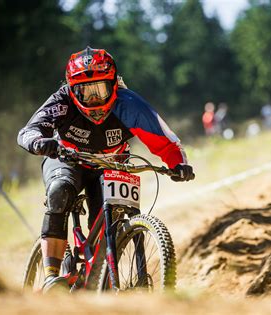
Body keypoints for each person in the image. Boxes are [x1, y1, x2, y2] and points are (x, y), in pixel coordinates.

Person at [17, 47, 194, 292]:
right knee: (59, 191)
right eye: (85, 92)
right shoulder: (62, 101)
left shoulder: (130, 104)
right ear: (71, 89)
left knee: (113, 216)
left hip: (111, 163)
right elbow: (28, 131)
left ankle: (102, 276)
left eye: (100, 90)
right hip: (67, 159)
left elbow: (165, 140)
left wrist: (178, 164)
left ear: (114, 85)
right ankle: (51, 277)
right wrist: (39, 142)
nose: (94, 100)